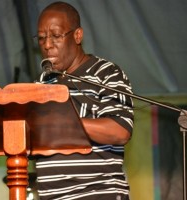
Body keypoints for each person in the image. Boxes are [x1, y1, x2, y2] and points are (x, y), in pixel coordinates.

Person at [33, 1, 134, 200]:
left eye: (55, 36)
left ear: (77, 35)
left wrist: (66, 123)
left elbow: (120, 130)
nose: (47, 45)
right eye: (42, 38)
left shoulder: (106, 73)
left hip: (98, 194)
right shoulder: (42, 84)